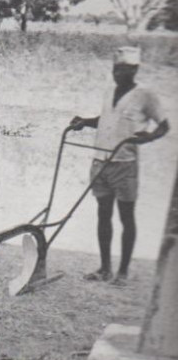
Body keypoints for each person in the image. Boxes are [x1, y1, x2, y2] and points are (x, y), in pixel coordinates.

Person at [68, 46, 169, 284]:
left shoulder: (145, 95)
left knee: (126, 217)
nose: (118, 74)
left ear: (134, 70)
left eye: (124, 70)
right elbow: (105, 120)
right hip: (100, 161)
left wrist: (149, 137)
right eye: (115, 69)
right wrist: (85, 121)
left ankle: (122, 272)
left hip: (125, 164)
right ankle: (105, 269)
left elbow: (164, 126)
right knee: (103, 215)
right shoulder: (109, 91)